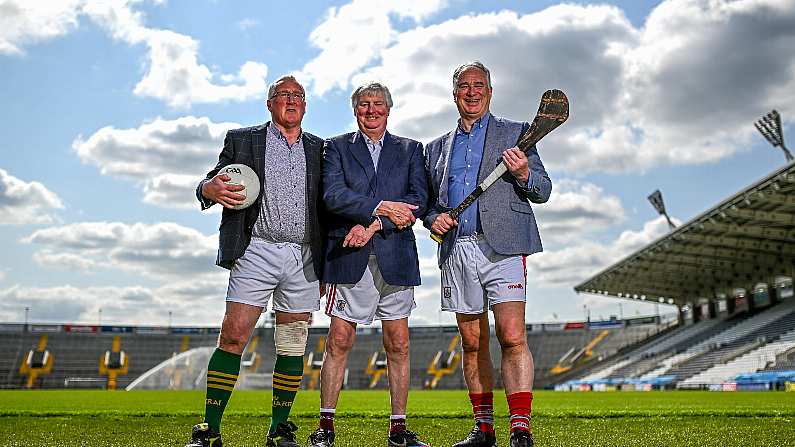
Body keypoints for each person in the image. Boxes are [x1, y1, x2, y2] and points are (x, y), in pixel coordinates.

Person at [185, 75, 325, 447]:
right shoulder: (242, 139)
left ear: (306, 105)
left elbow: (329, 205)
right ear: (269, 103)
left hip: (304, 254)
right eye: (283, 95)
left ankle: (279, 428)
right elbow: (212, 180)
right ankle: (209, 429)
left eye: (298, 95)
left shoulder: (320, 148)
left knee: (293, 343)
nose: (291, 100)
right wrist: (207, 188)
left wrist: (330, 262)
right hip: (256, 248)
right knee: (232, 335)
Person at [423, 62, 552, 447]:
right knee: (473, 342)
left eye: (479, 85)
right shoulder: (436, 148)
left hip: (504, 246)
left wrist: (525, 172)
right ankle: (483, 428)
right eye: (464, 86)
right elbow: (429, 205)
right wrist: (434, 219)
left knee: (512, 336)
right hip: (458, 249)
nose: (472, 91)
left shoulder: (517, 133)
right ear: (454, 93)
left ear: (491, 92)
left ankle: (520, 427)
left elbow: (543, 190)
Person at [307, 82, 429, 447]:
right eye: (364, 104)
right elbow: (332, 195)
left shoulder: (410, 150)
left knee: (399, 344)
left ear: (389, 109)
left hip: (394, 254)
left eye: (378, 104)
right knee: (339, 340)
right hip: (348, 253)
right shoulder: (337, 147)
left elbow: (417, 200)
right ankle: (325, 426)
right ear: (355, 110)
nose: (371, 110)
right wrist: (378, 208)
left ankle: (398, 428)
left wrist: (375, 223)